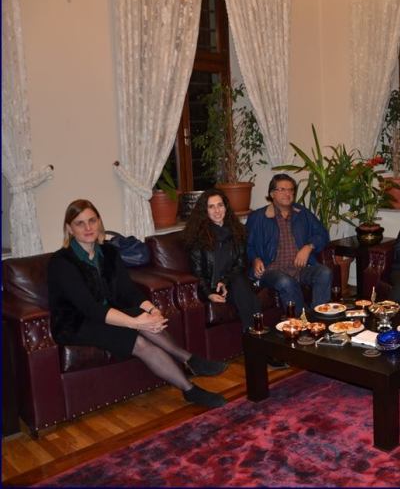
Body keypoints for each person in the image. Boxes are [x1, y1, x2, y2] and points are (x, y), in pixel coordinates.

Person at [48, 200, 227, 409]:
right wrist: (135, 323)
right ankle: (190, 389)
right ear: (69, 229)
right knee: (139, 341)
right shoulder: (62, 262)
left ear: (99, 222)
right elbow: (90, 308)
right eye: (80, 223)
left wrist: (152, 310)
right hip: (77, 323)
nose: (88, 227)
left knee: (147, 321)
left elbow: (128, 291)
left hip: (110, 313)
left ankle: (190, 360)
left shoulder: (109, 253)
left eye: (92, 221)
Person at [246, 174, 331, 316]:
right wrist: (255, 259)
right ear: (272, 194)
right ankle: (302, 320)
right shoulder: (259, 217)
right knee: (285, 281)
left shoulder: (302, 213)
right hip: (271, 271)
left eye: (291, 190)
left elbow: (322, 234)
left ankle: (319, 318)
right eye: (282, 189)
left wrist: (309, 247)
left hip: (300, 268)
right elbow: (247, 245)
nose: (288, 193)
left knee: (324, 272)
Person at [183, 189, 261, 333]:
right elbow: (197, 272)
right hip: (212, 286)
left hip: (231, 281)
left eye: (220, 205)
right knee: (243, 288)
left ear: (226, 207)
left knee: (239, 283)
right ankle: (256, 331)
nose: (217, 210)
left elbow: (240, 264)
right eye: (211, 207)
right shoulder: (197, 237)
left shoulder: (237, 231)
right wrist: (208, 293)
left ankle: (252, 332)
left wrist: (225, 281)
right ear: (204, 211)